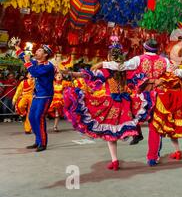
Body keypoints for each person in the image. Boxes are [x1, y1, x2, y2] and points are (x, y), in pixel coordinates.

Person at [63, 37, 153, 170]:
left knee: (110, 133)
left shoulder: (106, 69)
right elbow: (140, 80)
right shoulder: (126, 69)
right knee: (118, 129)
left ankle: (115, 160)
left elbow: (86, 75)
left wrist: (70, 73)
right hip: (125, 102)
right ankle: (117, 157)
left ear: (110, 56)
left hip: (111, 102)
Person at [100, 38, 171, 166]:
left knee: (130, 114)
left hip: (142, 97)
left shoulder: (138, 59)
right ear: (157, 50)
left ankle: (134, 134)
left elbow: (121, 66)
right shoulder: (165, 61)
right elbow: (174, 74)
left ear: (144, 48)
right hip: (160, 96)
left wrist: (104, 64)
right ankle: (152, 158)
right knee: (155, 126)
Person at [15, 44, 55, 152]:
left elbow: (34, 72)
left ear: (45, 54)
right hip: (37, 95)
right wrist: (17, 46)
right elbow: (23, 57)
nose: (36, 51)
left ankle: (43, 143)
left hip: (45, 96)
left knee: (39, 117)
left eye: (39, 50)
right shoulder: (37, 62)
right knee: (32, 118)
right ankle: (37, 141)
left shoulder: (48, 66)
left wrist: (28, 61)